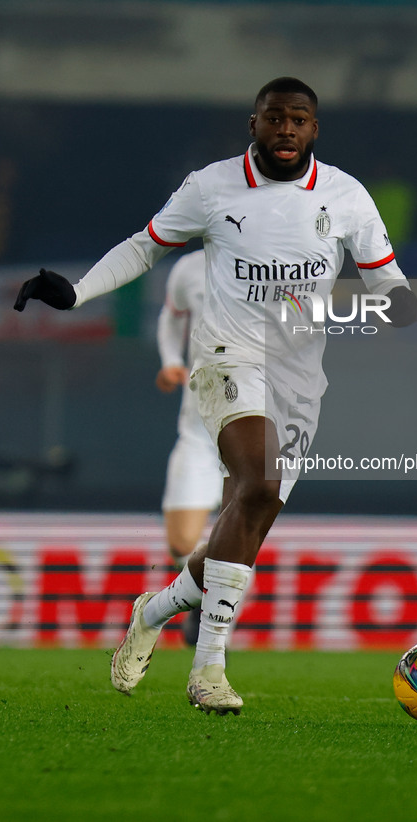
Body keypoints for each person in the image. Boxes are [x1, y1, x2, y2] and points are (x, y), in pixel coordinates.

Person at [14, 77, 417, 716]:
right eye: (275, 118)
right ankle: (209, 669)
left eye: (300, 120)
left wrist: (396, 305)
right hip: (226, 356)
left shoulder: (346, 197)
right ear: (253, 124)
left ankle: (157, 606)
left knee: (250, 520)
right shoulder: (211, 187)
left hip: (299, 377)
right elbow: (147, 244)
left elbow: (388, 283)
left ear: (314, 130)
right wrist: (78, 292)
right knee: (254, 486)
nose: (286, 129)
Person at [155, 248, 223, 645]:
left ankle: (214, 636)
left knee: (240, 528)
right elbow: (171, 316)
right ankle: (205, 594)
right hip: (197, 432)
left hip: (251, 430)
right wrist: (169, 359)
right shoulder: (189, 268)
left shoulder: (274, 262)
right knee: (182, 542)